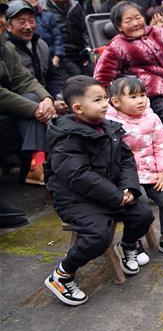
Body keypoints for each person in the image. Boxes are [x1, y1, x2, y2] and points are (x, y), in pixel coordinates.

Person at [44, 76, 154, 306]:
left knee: (143, 214)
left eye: (105, 98)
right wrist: (116, 196)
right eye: (98, 100)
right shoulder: (66, 137)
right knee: (98, 236)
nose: (105, 103)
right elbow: (78, 175)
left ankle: (127, 246)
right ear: (78, 108)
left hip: (112, 191)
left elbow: (126, 160)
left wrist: (129, 188)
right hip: (77, 199)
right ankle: (63, 275)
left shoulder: (109, 128)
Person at [93, 2, 163, 195]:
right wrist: (114, 102)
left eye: (138, 17)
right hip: (149, 94)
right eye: (128, 20)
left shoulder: (161, 33)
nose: (136, 23)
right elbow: (102, 78)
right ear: (119, 26)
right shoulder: (116, 47)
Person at [106, 76, 163, 259]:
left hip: (151, 172)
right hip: (127, 177)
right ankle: (134, 242)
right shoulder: (110, 122)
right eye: (133, 97)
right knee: (139, 203)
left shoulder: (152, 118)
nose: (141, 100)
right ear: (116, 102)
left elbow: (162, 145)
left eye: (143, 95)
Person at [0, 1, 53, 209]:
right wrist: (35, 109)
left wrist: (46, 99)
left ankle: (36, 165)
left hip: (7, 110)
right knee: (31, 108)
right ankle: (37, 164)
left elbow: (25, 79)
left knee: (34, 98)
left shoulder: (5, 46)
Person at [5, 0, 64, 100]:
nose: (28, 27)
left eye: (31, 21)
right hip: (21, 103)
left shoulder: (41, 45)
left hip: (46, 99)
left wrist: (58, 96)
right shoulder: (5, 50)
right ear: (8, 26)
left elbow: (52, 77)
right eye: (22, 22)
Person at [38, 0, 90, 77]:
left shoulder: (76, 6)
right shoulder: (41, 7)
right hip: (55, 55)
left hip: (78, 53)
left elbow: (85, 30)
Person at [13, 0, 64, 69]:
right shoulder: (14, 20)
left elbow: (57, 38)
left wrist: (57, 57)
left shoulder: (48, 16)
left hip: (53, 59)